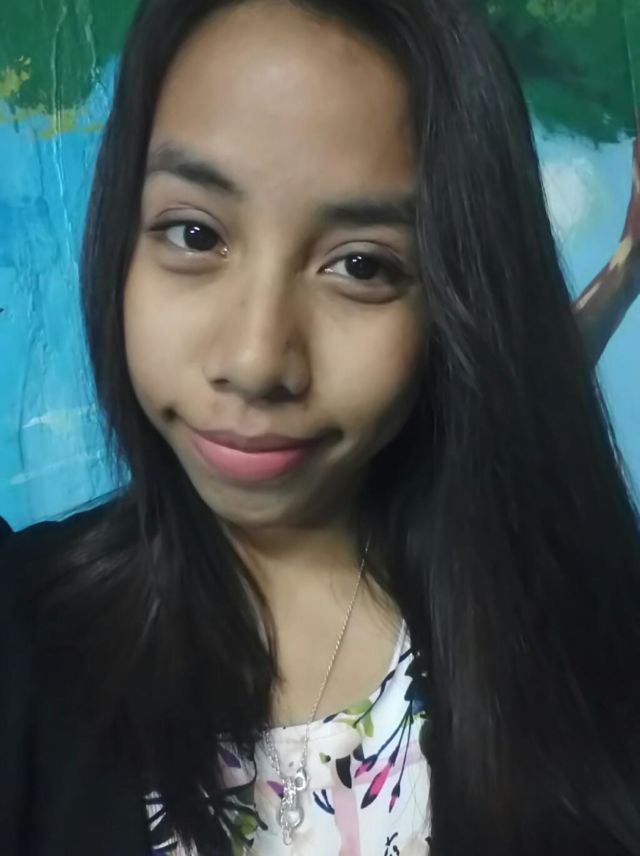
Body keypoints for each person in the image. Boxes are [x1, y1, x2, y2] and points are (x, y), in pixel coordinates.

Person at [1, 0, 640, 854]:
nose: (257, 360)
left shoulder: (585, 648)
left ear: (453, 302)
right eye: (194, 233)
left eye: (362, 265)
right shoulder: (23, 637)